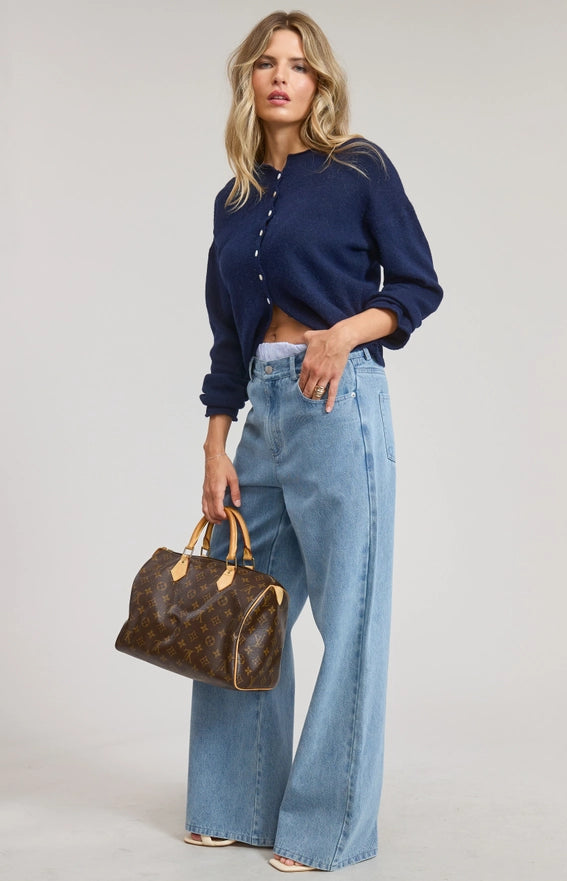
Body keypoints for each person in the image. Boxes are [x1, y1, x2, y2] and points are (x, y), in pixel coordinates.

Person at [184, 10, 442, 873]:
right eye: (266, 63)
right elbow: (226, 341)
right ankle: (234, 802)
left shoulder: (358, 168)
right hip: (260, 412)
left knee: (348, 620)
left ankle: (327, 828)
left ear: (319, 81)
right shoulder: (233, 200)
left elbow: (415, 285)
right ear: (248, 81)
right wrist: (215, 446)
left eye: (297, 65)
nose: (281, 77)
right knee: (242, 606)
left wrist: (343, 334)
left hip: (336, 401)